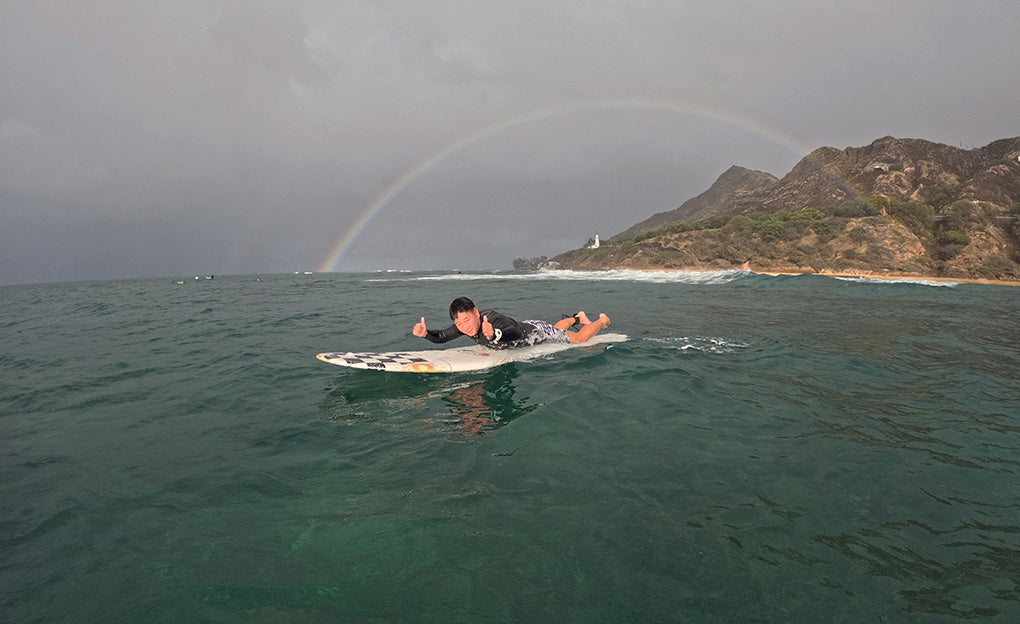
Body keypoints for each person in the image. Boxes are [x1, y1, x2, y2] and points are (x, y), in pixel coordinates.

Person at [412, 296, 611, 350]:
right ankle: (578, 317)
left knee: (580, 339)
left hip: (535, 333)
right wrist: (426, 333)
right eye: (460, 323)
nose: (465, 326)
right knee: (556, 329)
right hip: (533, 325)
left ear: (475, 311)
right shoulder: (465, 326)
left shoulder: (493, 319)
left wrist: (493, 335)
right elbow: (442, 337)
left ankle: (601, 320)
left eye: (467, 319)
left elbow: (513, 332)